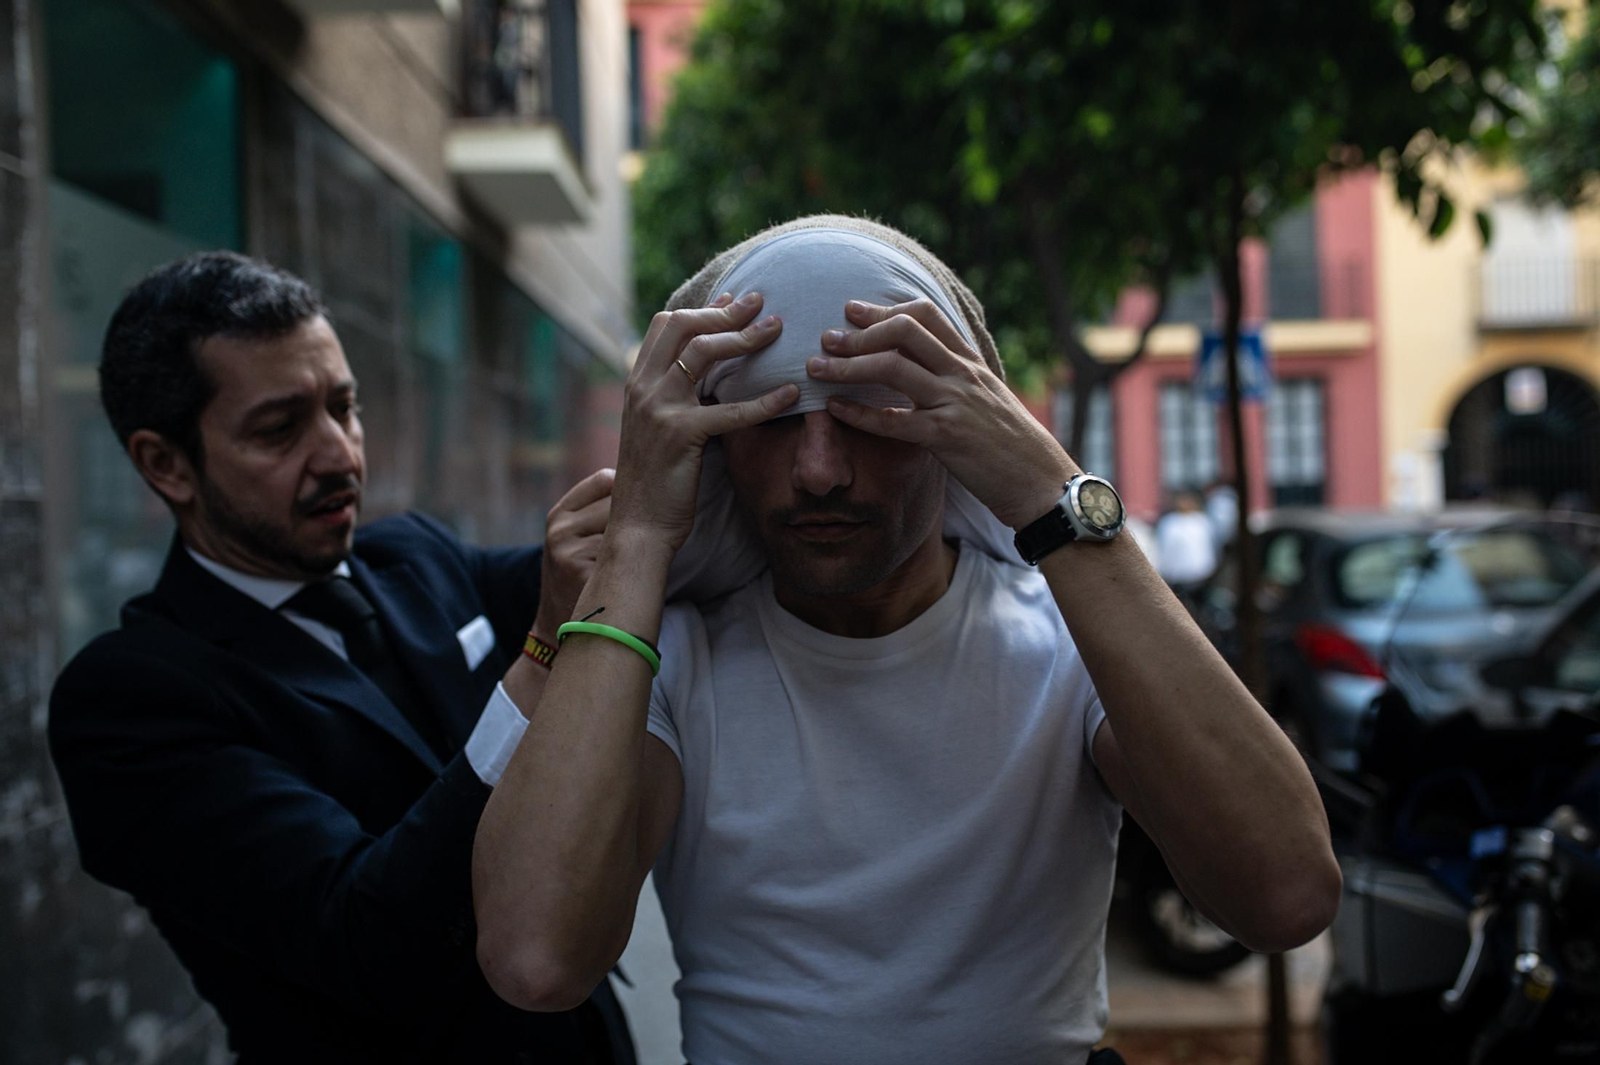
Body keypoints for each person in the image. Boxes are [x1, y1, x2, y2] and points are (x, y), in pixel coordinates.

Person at [471, 217, 1341, 1064]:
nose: (819, 471)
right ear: (714, 445)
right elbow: (535, 958)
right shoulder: (677, 664)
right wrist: (638, 538)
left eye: (864, 413)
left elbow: (1287, 892)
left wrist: (1049, 487)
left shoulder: (1066, 648)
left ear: (951, 425)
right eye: (771, 420)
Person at [48, 252, 634, 1064]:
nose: (339, 455)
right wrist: (538, 655)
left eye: (344, 407)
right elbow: (369, 939)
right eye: (280, 429)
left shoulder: (413, 556)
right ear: (166, 464)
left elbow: (622, 566)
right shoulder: (131, 701)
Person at [1156, 489, 1219, 589]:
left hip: (1201, 575)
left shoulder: (1201, 521)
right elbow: (1164, 548)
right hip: (1176, 576)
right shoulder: (1169, 522)